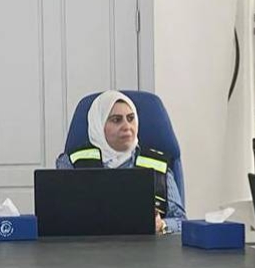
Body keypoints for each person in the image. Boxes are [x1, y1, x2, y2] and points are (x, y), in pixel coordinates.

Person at [56, 91, 186, 233]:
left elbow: (181, 221)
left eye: (131, 118)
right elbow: (58, 217)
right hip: (87, 244)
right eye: (117, 120)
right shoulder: (72, 162)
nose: (127, 126)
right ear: (98, 125)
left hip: (145, 245)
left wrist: (162, 225)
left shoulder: (158, 165)